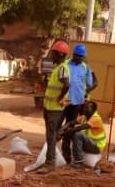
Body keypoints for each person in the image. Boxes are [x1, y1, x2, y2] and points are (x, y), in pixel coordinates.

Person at [37, 39, 70, 173]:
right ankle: (49, 160)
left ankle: (50, 163)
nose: (51, 56)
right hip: (50, 107)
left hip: (55, 109)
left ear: (61, 55)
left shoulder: (62, 68)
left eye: (54, 53)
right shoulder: (57, 68)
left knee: (51, 135)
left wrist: (60, 98)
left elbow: (67, 84)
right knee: (51, 135)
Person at [62, 44, 97, 163]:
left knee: (70, 128)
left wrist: (86, 93)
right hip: (64, 102)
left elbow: (89, 84)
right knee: (59, 127)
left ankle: (67, 156)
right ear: (73, 54)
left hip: (77, 103)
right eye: (77, 56)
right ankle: (62, 153)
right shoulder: (65, 64)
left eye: (82, 57)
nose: (79, 58)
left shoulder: (85, 67)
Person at [59, 99, 107, 168]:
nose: (84, 109)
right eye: (84, 107)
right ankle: (66, 157)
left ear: (93, 110)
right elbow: (69, 123)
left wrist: (65, 132)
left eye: (87, 108)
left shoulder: (96, 119)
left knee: (77, 134)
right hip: (88, 143)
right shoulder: (84, 117)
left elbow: (79, 128)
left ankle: (78, 162)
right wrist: (61, 130)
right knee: (69, 133)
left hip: (96, 147)